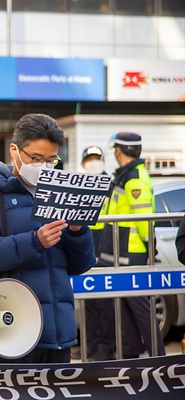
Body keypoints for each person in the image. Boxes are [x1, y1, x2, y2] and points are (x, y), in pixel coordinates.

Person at [0, 113, 95, 364]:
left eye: (51, 159)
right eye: (36, 158)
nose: (43, 165)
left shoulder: (60, 193)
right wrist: (34, 241)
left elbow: (80, 265)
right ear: (14, 150)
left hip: (57, 334)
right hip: (10, 332)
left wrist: (78, 231)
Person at [98, 132, 166, 358]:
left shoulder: (134, 177)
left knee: (141, 309)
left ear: (119, 150)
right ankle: (131, 357)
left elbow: (144, 218)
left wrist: (149, 248)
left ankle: (159, 358)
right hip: (119, 252)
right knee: (125, 308)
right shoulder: (124, 175)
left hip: (131, 253)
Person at [81, 146, 115, 361]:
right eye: (90, 159)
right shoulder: (80, 185)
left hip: (106, 247)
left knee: (105, 303)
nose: (94, 162)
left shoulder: (111, 185)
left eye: (97, 158)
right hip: (86, 247)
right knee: (88, 303)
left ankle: (107, 348)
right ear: (84, 163)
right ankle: (91, 347)